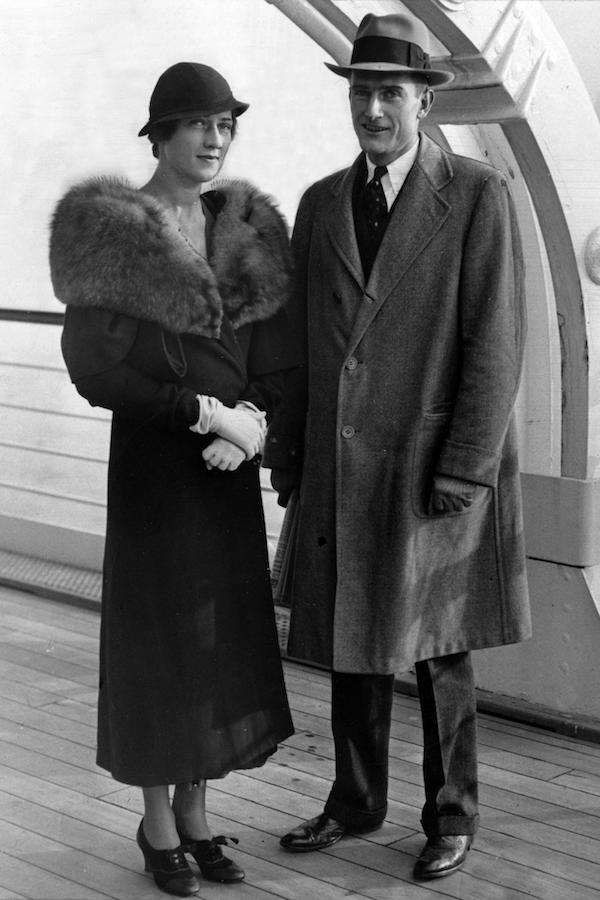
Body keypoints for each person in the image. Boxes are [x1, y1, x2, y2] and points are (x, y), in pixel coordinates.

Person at [264, 13, 531, 882]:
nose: (372, 108)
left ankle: (452, 813)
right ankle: (354, 799)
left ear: (424, 100)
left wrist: (466, 463)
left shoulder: (478, 197)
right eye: (361, 91)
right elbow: (301, 344)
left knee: (437, 642)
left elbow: (495, 341)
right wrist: (292, 458)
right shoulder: (320, 204)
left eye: (389, 92)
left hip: (431, 461)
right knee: (354, 632)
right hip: (343, 463)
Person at [49, 62, 295, 896]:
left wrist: (254, 420)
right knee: (158, 639)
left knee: (213, 637)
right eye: (198, 123)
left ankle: (196, 814)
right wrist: (199, 412)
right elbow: (93, 368)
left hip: (228, 473)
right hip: (159, 467)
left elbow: (276, 351)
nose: (215, 138)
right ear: (159, 135)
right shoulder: (113, 229)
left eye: (226, 123)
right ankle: (157, 824)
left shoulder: (247, 225)